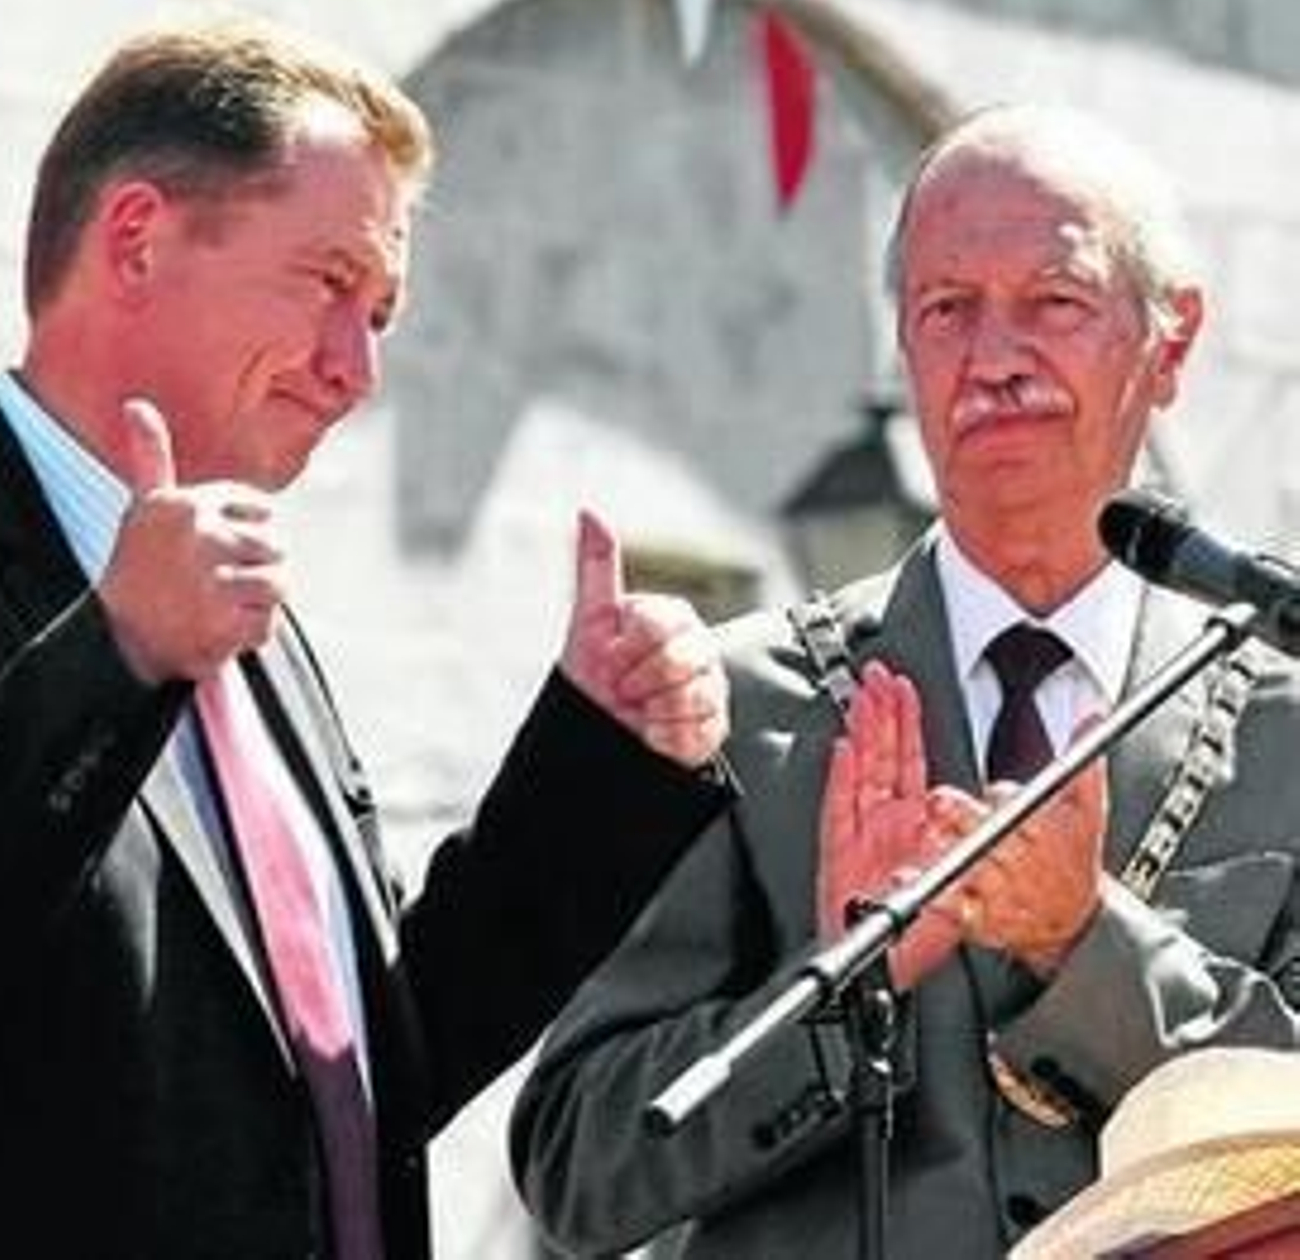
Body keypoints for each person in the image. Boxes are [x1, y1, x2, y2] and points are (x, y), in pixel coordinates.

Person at [0, 16, 734, 1260]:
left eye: (385, 315)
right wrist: (116, 656)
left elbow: (364, 1074)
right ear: (137, 237)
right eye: (328, 285)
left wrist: (598, 758)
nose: (357, 367)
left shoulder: (259, 635)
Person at [512, 104, 1300, 1259]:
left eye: (1054, 303)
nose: (992, 360)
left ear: (1168, 342)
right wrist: (842, 991)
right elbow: (577, 1165)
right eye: (946, 311)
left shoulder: (1279, 723)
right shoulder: (743, 707)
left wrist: (1084, 943)